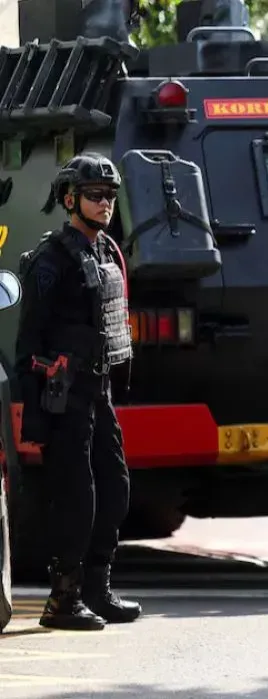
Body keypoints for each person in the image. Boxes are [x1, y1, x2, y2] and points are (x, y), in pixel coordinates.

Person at [14, 152, 142, 631]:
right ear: (70, 199)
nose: (105, 203)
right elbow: (28, 344)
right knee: (76, 496)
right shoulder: (50, 261)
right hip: (64, 395)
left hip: (98, 390)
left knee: (115, 487)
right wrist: (38, 407)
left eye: (110, 195)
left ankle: (96, 590)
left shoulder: (107, 250)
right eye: (94, 195)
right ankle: (62, 600)